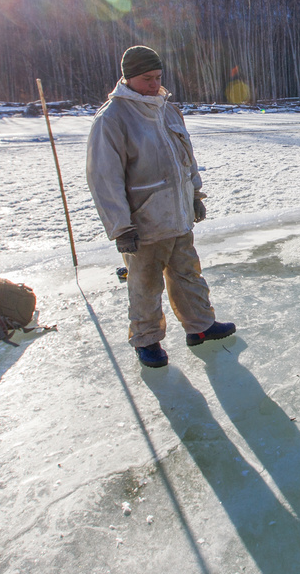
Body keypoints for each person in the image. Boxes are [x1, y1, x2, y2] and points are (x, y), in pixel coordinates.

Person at [86, 45, 235, 368]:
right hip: (144, 223)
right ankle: (147, 340)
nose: (154, 85)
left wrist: (194, 195)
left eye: (158, 77)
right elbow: (104, 180)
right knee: (145, 284)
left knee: (187, 273)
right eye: (146, 79)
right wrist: (121, 227)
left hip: (178, 214)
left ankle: (201, 327)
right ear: (128, 78)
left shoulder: (168, 110)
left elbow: (186, 159)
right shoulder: (112, 119)